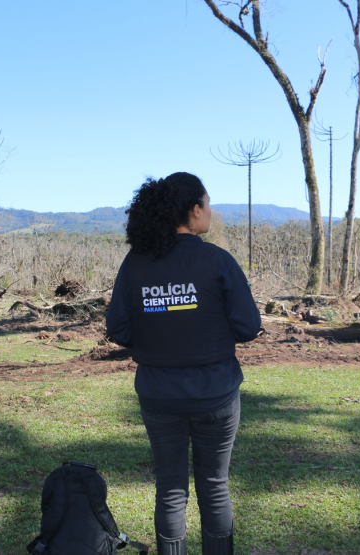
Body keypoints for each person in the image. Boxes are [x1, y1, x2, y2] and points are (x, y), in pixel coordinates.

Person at [105, 172, 261, 555]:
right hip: (217, 394)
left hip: (159, 395)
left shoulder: (137, 263)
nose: (211, 211)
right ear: (194, 210)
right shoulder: (217, 260)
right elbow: (248, 326)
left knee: (171, 487)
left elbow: (118, 327)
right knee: (214, 484)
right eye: (208, 204)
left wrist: (159, 331)